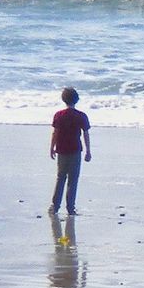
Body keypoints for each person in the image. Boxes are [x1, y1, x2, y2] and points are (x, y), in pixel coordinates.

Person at [50, 87, 91, 215]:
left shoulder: (58, 115)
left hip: (61, 150)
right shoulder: (81, 116)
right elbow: (86, 134)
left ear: (63, 99)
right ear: (77, 99)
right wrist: (88, 151)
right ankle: (70, 208)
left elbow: (55, 133)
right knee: (73, 180)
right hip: (75, 150)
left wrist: (52, 147)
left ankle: (55, 206)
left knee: (60, 178)